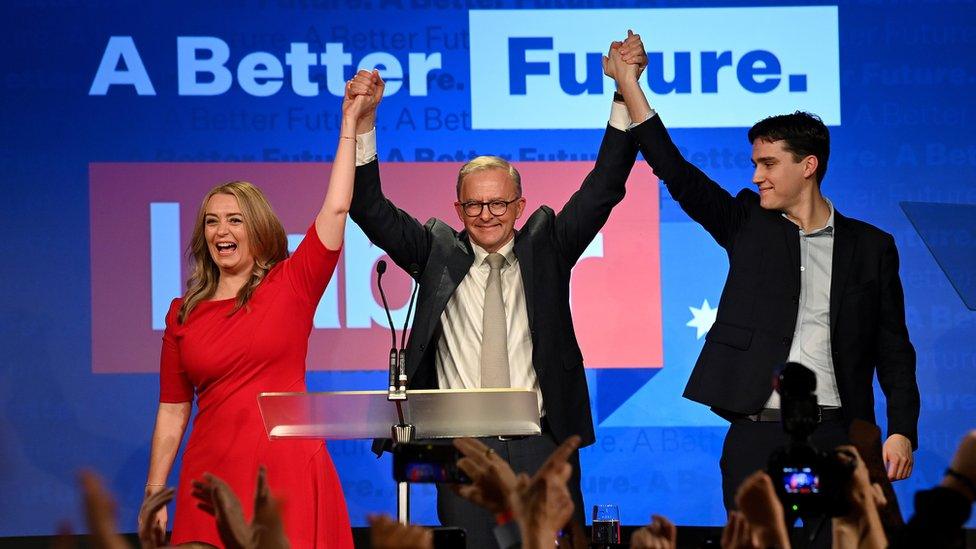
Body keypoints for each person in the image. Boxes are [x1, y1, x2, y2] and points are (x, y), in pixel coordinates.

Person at [613, 30, 920, 546]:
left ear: (808, 166)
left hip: (838, 434)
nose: (756, 176)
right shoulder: (746, 223)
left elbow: (893, 348)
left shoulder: (871, 247)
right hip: (756, 432)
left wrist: (902, 429)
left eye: (768, 163)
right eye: (755, 163)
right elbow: (678, 172)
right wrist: (629, 86)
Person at [345, 33, 648, 547]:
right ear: (458, 208)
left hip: (541, 443)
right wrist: (364, 125)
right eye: (473, 206)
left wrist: (623, 94)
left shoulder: (547, 247)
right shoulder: (435, 252)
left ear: (519, 204)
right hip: (462, 447)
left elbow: (603, 187)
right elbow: (369, 209)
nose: (486, 216)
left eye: (498, 205)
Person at [138, 77, 372, 548]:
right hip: (210, 476)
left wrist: (350, 122)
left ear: (258, 227)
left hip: (284, 470)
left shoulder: (293, 284)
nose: (221, 231)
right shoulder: (183, 313)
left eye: (234, 219)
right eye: (211, 220)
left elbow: (338, 206)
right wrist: (154, 491)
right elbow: (172, 408)